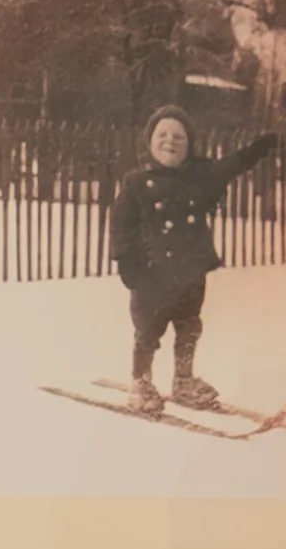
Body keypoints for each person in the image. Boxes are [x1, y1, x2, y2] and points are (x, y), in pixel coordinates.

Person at [108, 105, 275, 412]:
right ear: (149, 140)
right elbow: (121, 225)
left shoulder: (199, 177)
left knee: (189, 327)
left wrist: (258, 150)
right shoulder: (135, 183)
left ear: (189, 146)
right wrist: (126, 263)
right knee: (148, 331)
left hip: (190, 273)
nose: (170, 141)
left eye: (179, 137)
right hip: (151, 275)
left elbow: (231, 165)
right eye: (162, 134)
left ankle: (183, 379)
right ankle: (141, 381)